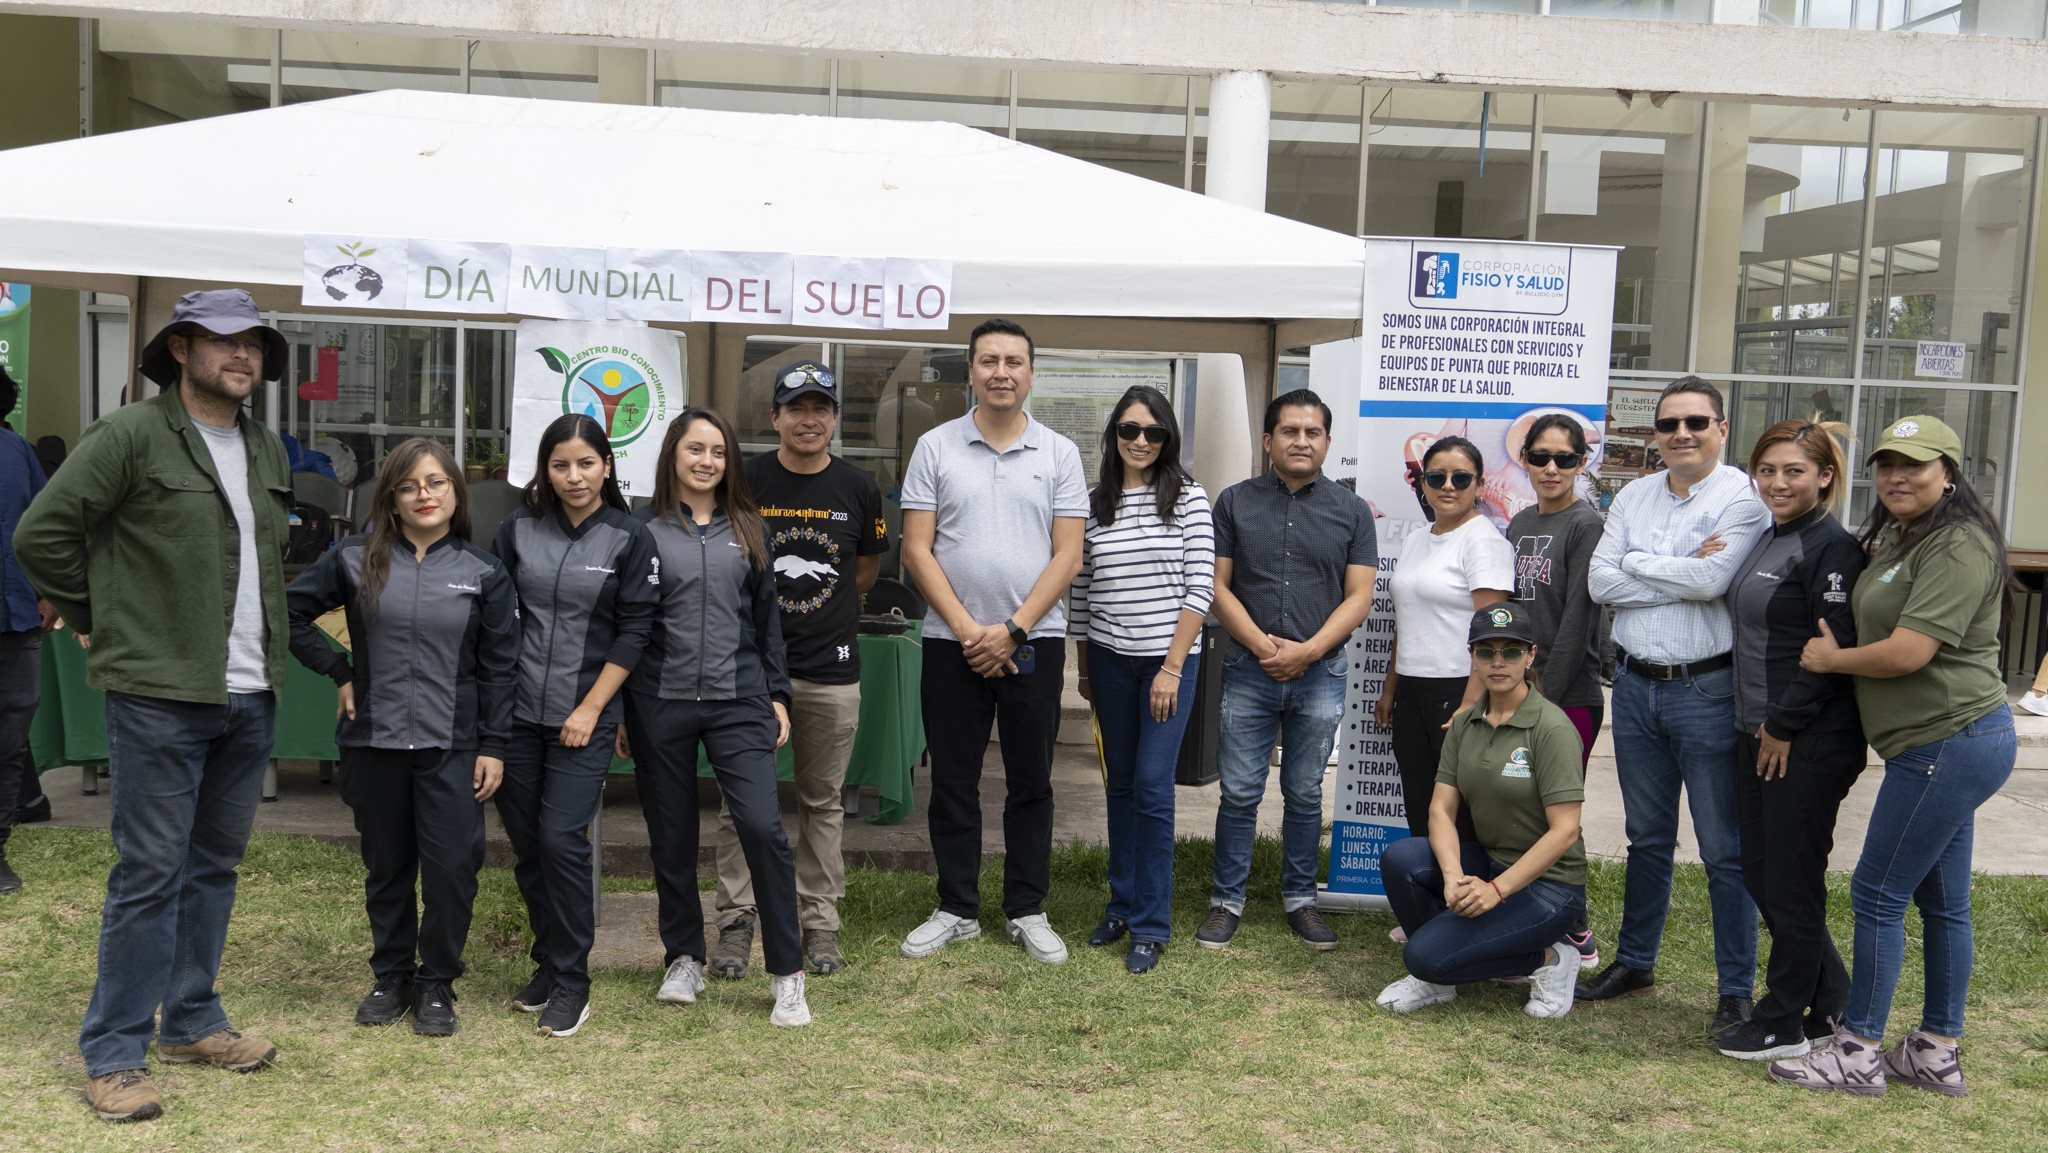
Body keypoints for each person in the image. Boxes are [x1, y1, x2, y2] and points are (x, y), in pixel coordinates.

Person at [16, 289, 293, 1124]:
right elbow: (40, 535)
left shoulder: (265, 447)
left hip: (250, 690)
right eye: (224, 339)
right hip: (159, 697)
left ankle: (193, 1019)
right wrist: (105, 619)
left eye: (254, 343)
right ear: (180, 347)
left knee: (213, 867)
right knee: (149, 874)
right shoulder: (129, 435)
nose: (242, 354)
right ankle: (113, 1051)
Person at [1769, 415, 2020, 1097]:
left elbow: (1910, 651)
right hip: (1946, 743)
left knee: (1878, 892)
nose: (1897, 477)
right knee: (1944, 902)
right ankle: (1936, 1049)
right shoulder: (1909, 536)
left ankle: (1857, 1049)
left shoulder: (1958, 545)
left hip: (1950, 740)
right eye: (1887, 465)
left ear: (1950, 474)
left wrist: (1831, 660)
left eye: (1915, 465)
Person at [286, 438, 518, 1038]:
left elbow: (499, 669)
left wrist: (493, 746)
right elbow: (286, 612)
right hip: (373, 741)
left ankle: (437, 981)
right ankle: (391, 976)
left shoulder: (484, 571)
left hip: (452, 747)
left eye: (436, 483)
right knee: (387, 868)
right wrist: (339, 671)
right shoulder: (352, 558)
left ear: (455, 493)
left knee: (451, 871)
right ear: (390, 498)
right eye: (409, 485)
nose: (424, 495)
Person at [1581, 375, 1768, 1033]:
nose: (1681, 434)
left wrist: (1639, 560)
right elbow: (1599, 582)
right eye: (1669, 424)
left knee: (1724, 850)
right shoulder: (1634, 493)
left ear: (1722, 428)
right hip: (1634, 687)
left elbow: (1715, 579)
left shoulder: (1744, 497)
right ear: (1655, 433)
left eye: (1696, 422)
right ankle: (1636, 963)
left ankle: (1735, 989)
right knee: (1647, 838)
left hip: (1706, 690)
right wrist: (1680, 567)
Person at [897, 319, 1087, 965]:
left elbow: (1068, 555)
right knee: (953, 778)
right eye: (988, 361)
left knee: (1032, 780)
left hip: (1035, 641)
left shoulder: (1060, 453)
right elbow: (916, 549)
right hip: (951, 642)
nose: (1000, 372)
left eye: (1013, 361)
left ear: (1031, 373)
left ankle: (1027, 907)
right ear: (971, 371)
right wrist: (967, 629)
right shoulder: (934, 446)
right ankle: (956, 907)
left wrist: (1012, 630)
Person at [620, 407, 810, 1028]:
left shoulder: (749, 528)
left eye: (718, 452)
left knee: (761, 827)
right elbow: (625, 624)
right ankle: (684, 958)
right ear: (673, 454)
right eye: (695, 449)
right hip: (659, 701)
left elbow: (767, 620)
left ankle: (787, 972)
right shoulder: (640, 529)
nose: (706, 461)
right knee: (671, 835)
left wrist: (777, 694)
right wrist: (620, 708)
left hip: (739, 699)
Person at [711, 361, 887, 980]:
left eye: (820, 409)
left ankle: (820, 922)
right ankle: (736, 920)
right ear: (775, 417)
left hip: (830, 670)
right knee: (740, 802)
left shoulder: (859, 487)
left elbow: (865, 570)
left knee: (822, 801)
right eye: (796, 409)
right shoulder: (746, 479)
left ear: (835, 418)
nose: (808, 420)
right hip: (752, 672)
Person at [491, 414, 657, 1038]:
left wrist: (591, 708)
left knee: (561, 839)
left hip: (584, 717)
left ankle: (572, 982)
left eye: (586, 463)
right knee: (529, 845)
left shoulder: (628, 536)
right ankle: (548, 961)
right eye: (560, 465)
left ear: (607, 467)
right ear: (545, 470)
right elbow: (495, 619)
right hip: (515, 716)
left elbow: (635, 632)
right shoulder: (516, 528)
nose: (574, 476)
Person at [1198, 388, 1377, 952]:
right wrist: (1265, 648)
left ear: (1328, 441)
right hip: (1248, 670)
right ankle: (1226, 901)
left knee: (1303, 792)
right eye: (1290, 431)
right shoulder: (1234, 502)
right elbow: (1216, 585)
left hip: (1321, 673)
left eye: (1313, 432)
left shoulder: (1352, 510)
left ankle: (1301, 900)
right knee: (1239, 792)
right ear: (1268, 440)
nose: (1302, 441)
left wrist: (1308, 651)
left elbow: (1359, 596)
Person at [1713, 420, 1867, 1062]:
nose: (1777, 482)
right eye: (1767, 470)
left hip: (1804, 739)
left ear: (1825, 477)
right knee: (1762, 874)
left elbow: (1833, 652)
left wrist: (1782, 725)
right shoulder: (1769, 537)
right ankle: (1830, 1000)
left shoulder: (1834, 549)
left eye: (1794, 471)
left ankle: (1782, 1021)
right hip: (1755, 731)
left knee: (1792, 881)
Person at [1373, 603, 1587, 1018]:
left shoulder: (1552, 728)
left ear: (1530, 655)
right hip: (1491, 862)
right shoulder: (1465, 722)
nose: (1498, 662)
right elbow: (1440, 810)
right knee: (1401, 858)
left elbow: (1564, 832)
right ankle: (1441, 974)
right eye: (1486, 651)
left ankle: (1551, 959)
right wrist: (1453, 878)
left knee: (1422, 957)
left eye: (1511, 651)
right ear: (1472, 656)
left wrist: (1496, 891)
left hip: (1551, 887)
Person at [1071, 385, 1214, 974]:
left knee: (1153, 788)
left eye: (1153, 432)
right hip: (1108, 662)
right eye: (1129, 430)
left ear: (1167, 439)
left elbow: (1200, 588)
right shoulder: (1092, 503)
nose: (1140, 441)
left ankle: (1152, 925)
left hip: (1168, 664)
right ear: (1114, 435)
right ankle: (1121, 907)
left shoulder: (1188, 498)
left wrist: (1171, 668)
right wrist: (1084, 668)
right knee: (1121, 786)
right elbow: (1081, 591)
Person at [1503, 412, 1610, 966]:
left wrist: (1540, 700)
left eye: (1564, 458)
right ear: (1524, 458)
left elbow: (1577, 622)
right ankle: (1531, 915)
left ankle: (1576, 929)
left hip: (1567, 699)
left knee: (1556, 816)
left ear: (1581, 463)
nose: (1551, 468)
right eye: (1540, 456)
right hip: (1520, 692)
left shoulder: (1585, 525)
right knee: (1521, 810)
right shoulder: (1519, 523)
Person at [1375, 435, 1514, 859]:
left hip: (1457, 690)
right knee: (1420, 803)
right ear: (1423, 484)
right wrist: (1390, 689)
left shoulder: (1483, 540)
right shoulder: (1418, 538)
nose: (1448, 486)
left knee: (1460, 813)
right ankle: (1429, 893)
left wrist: (1470, 706)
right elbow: (1407, 619)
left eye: (1461, 477)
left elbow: (1492, 635)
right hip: (1412, 690)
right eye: (1437, 477)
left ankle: (1466, 894)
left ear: (1480, 484)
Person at [0, 363, 62, 894]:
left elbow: (48, 525)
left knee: (9, 742)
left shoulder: (17, 450)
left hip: (17, 618)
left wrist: (49, 593)